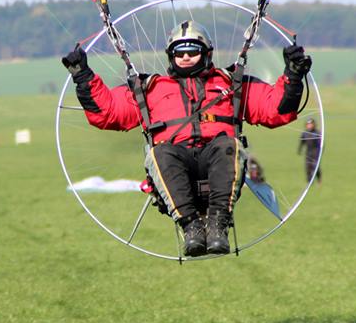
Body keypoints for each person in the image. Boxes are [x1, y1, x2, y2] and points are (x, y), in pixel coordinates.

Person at [62, 20, 310, 256]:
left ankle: (218, 225)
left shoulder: (231, 84)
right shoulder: (150, 89)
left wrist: (293, 74)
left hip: (218, 163)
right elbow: (107, 113)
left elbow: (276, 110)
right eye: (179, 53)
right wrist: (82, 76)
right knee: (160, 152)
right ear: (171, 56)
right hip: (175, 165)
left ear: (207, 53)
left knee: (228, 145)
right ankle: (191, 227)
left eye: (193, 51)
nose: (186, 57)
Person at [298, 116, 322, 184]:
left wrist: (320, 152)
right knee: (308, 168)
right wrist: (299, 150)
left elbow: (321, 143)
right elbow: (301, 142)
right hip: (308, 153)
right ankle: (310, 182)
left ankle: (319, 180)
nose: (309, 125)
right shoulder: (304, 133)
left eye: (311, 124)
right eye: (308, 124)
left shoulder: (317, 133)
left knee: (316, 167)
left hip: (316, 153)